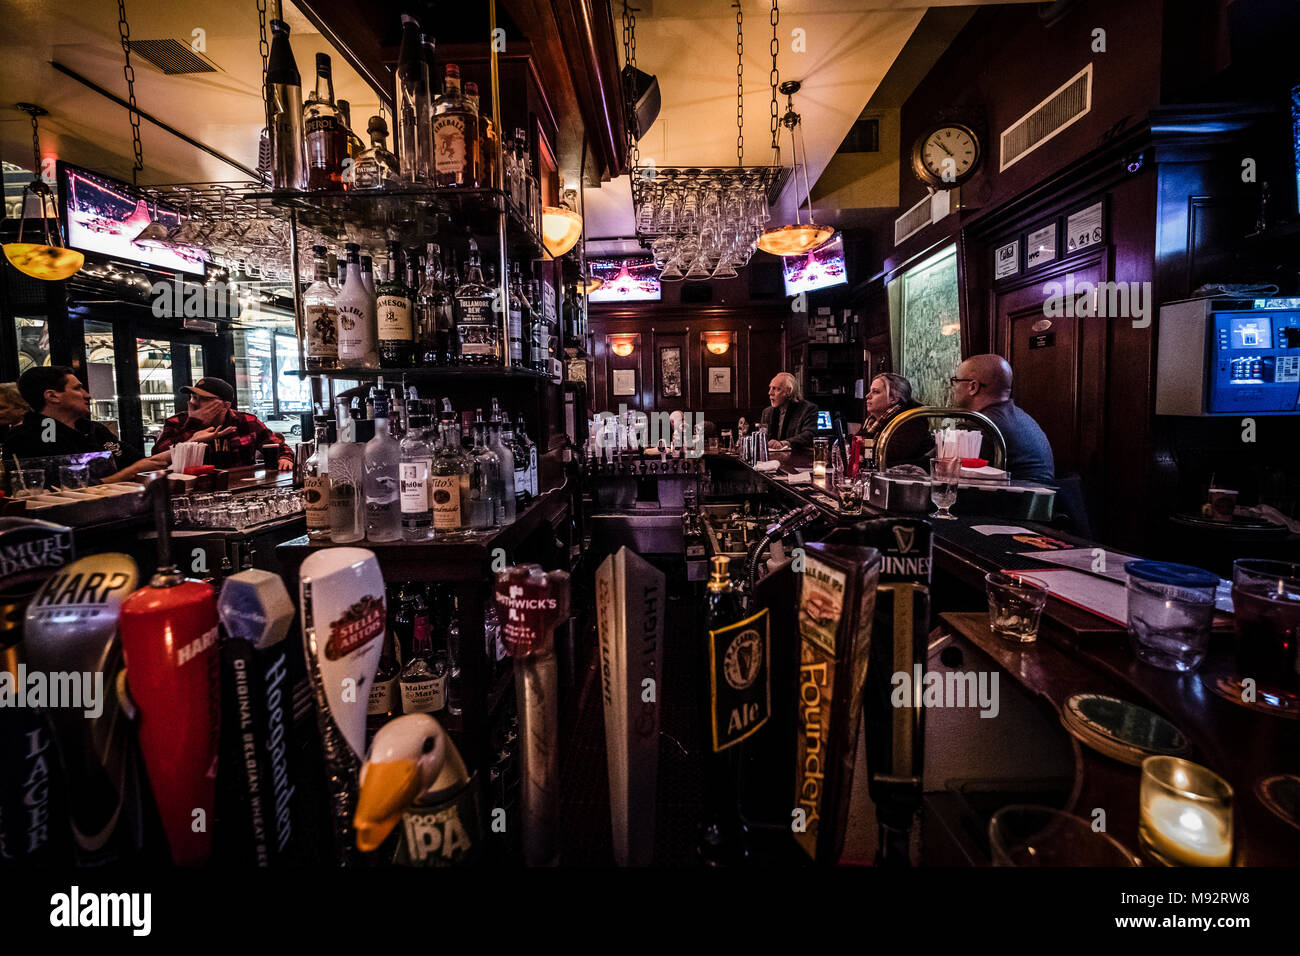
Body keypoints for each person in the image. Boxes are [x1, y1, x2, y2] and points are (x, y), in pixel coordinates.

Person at [4, 366, 170, 483]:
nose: (88, 395)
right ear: (53, 396)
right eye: (78, 389)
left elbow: (141, 462)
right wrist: (130, 473)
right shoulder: (27, 438)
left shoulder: (93, 429)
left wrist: (187, 447)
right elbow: (59, 492)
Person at [949, 353, 1055, 484]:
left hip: (1016, 502)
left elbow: (937, 467)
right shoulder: (1020, 417)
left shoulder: (983, 425)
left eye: (956, 381)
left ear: (973, 387)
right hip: (1038, 501)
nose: (953, 387)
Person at [153, 376, 294, 471]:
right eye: (193, 397)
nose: (194, 403)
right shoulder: (176, 423)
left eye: (204, 399)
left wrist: (285, 458)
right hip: (193, 492)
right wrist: (194, 425)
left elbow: (279, 447)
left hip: (239, 487)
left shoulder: (246, 421)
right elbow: (157, 458)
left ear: (225, 405)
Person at [862, 372, 934, 468]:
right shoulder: (872, 421)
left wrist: (861, 448)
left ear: (893, 398)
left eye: (875, 392)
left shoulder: (909, 422)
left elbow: (887, 456)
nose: (868, 396)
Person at [759, 372, 819, 453]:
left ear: (789, 391)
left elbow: (809, 435)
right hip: (771, 460)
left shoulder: (808, 409)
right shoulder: (767, 412)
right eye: (770, 388)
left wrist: (784, 443)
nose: (770, 393)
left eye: (775, 388)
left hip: (797, 459)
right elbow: (762, 438)